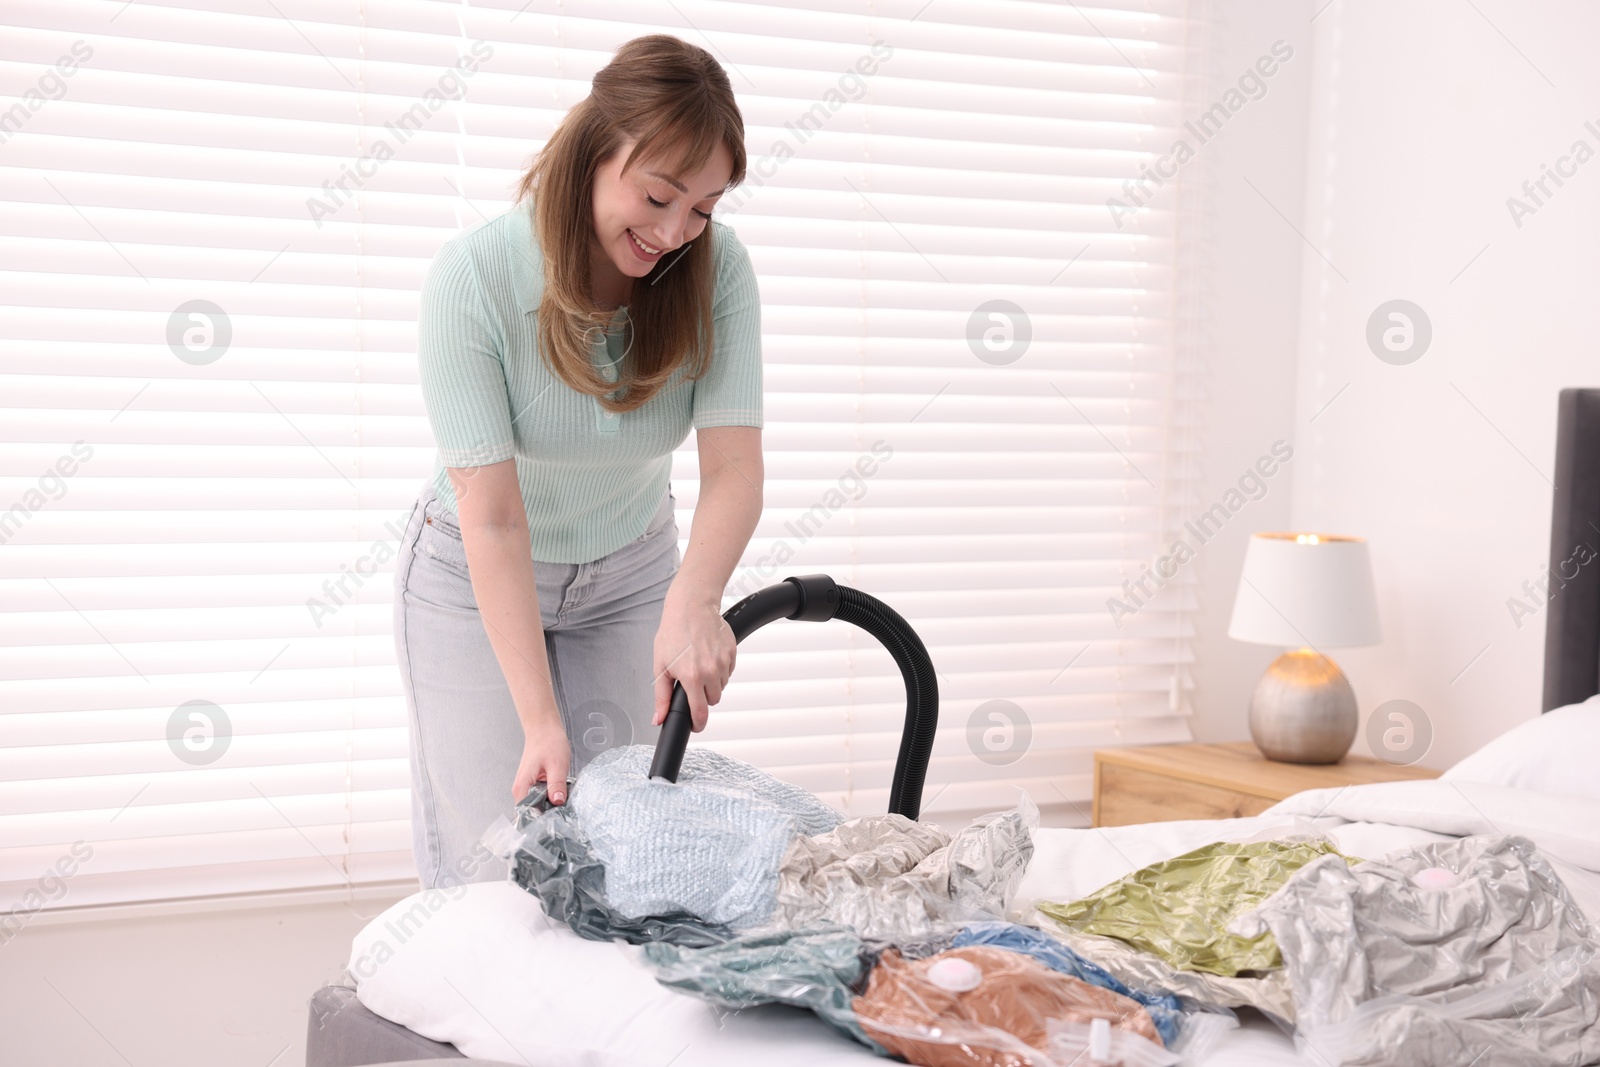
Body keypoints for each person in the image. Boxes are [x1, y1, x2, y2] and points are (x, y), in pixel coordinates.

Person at [393, 34, 763, 888]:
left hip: (632, 568)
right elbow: (493, 514)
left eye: (704, 207)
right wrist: (538, 717)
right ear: (596, 150)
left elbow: (735, 469)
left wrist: (694, 598)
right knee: (492, 859)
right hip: (472, 573)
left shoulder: (719, 272)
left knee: (620, 850)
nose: (676, 232)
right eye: (659, 194)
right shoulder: (475, 279)